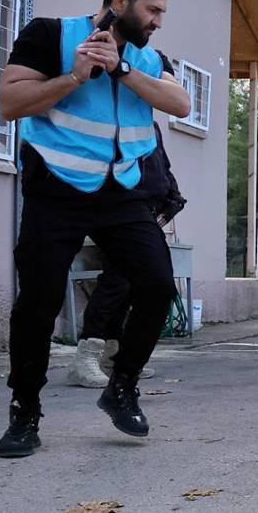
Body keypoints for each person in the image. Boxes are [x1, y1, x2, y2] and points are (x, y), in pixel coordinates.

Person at [0, 0, 190, 457]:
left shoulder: (150, 59)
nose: (158, 21)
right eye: (152, 10)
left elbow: (180, 104)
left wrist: (121, 68)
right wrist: (75, 77)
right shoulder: (49, 35)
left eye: (162, 12)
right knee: (37, 304)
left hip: (122, 192)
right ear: (120, 2)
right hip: (56, 191)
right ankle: (24, 412)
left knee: (157, 285)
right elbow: (9, 104)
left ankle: (121, 387)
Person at [67, 121, 187, 388]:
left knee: (136, 284)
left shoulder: (150, 125)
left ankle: (113, 355)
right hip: (120, 211)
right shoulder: (113, 119)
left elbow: (162, 165)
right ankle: (87, 355)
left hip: (146, 212)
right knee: (117, 282)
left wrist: (172, 197)